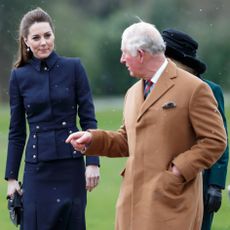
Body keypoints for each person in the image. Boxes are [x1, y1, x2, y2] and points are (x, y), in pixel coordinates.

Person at [66, 21, 227, 230]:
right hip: (131, 204)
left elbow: (215, 140)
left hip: (172, 204)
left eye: (125, 53)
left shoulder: (195, 88)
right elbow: (126, 140)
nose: (122, 59)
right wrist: (93, 139)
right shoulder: (132, 92)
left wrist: (178, 170)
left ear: (141, 54)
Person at [5, 7, 100, 230]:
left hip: (71, 166)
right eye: (36, 38)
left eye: (47, 35)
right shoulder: (19, 77)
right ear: (26, 41)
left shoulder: (74, 68)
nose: (43, 42)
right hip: (37, 170)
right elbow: (16, 131)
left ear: (53, 35)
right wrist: (11, 179)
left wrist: (93, 162)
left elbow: (89, 120)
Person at [161, 28, 229, 230]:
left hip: (200, 177)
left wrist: (215, 185)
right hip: (164, 178)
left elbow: (220, 139)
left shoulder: (209, 89)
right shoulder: (154, 89)